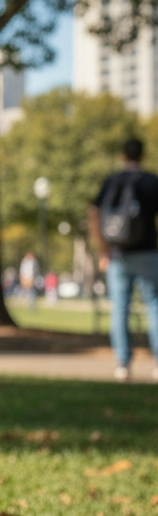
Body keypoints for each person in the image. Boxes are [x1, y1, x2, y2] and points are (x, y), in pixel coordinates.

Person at [89, 137, 158, 382]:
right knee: (154, 305)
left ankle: (123, 364)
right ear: (143, 154)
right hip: (148, 253)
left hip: (117, 255)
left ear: (123, 155)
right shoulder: (151, 181)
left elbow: (94, 214)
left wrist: (103, 249)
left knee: (120, 309)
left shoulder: (111, 182)